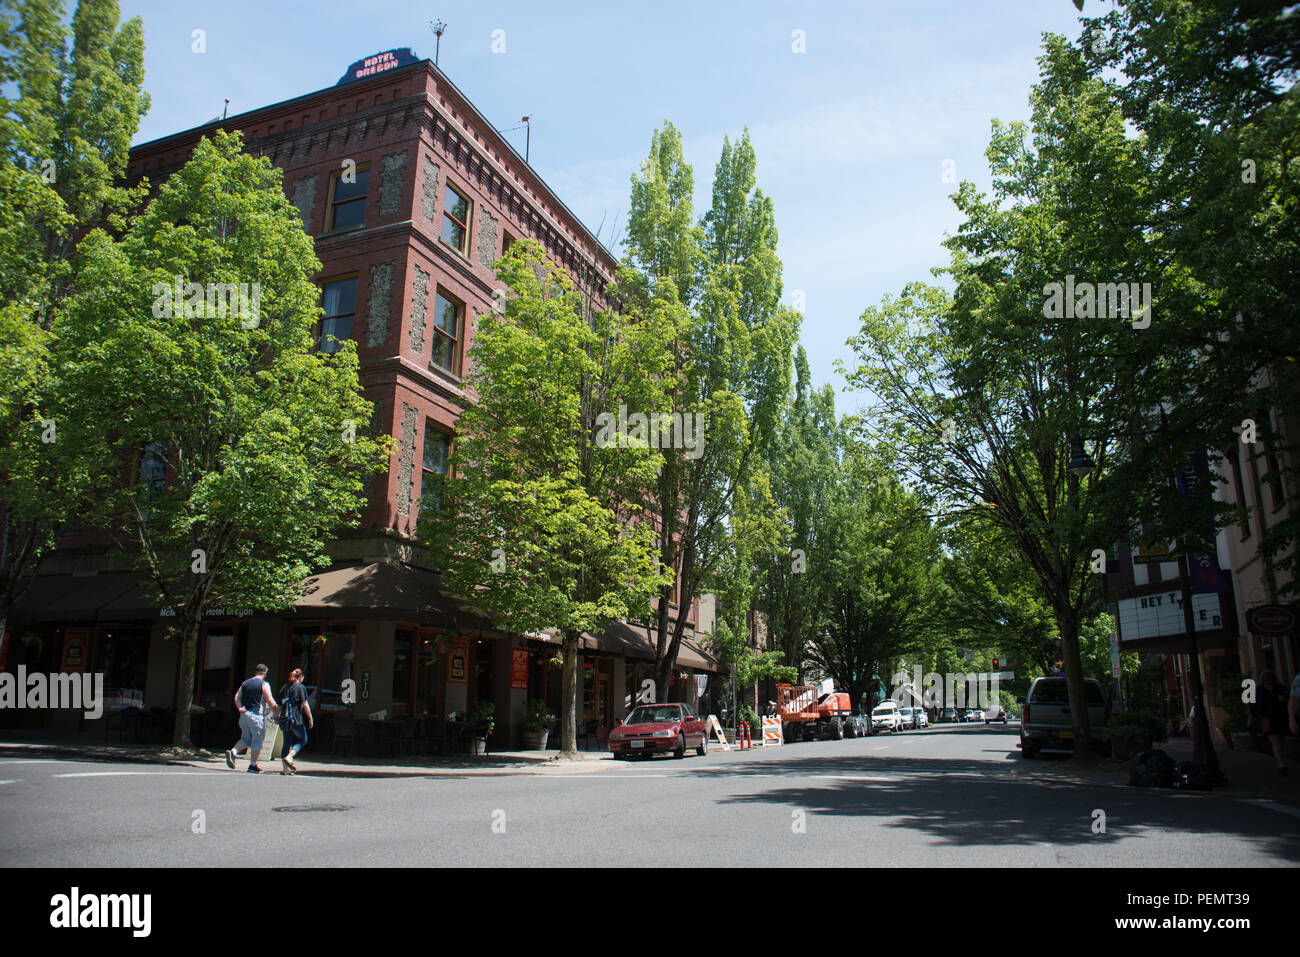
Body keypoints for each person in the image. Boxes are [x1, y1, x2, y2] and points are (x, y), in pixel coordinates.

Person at [225, 664, 279, 773]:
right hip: (256, 715)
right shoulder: (264, 684)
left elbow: (237, 697)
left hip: (244, 715)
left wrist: (240, 707)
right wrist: (276, 713)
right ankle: (253, 765)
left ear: (255, 672)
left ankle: (233, 751)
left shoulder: (246, 683)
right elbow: (270, 700)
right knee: (258, 741)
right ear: (265, 673)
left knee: (246, 738)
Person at [278, 668, 313, 775]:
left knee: (286, 742)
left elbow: (278, 705)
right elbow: (305, 704)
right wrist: (310, 717)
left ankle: (285, 770)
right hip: (295, 719)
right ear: (300, 676)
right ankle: (290, 756)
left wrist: (276, 716)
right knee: (303, 739)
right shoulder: (300, 687)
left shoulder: (285, 687)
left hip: (284, 719)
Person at [1254, 672, 1288, 775]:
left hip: (1280, 717)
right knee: (1274, 739)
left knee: (1280, 739)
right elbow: (1255, 704)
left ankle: (1281, 759)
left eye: (1271, 682)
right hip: (1266, 718)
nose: (1269, 684)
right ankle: (1281, 763)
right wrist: (1252, 717)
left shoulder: (1280, 688)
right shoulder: (1259, 690)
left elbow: (1287, 698)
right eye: (1267, 682)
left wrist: (1283, 699)